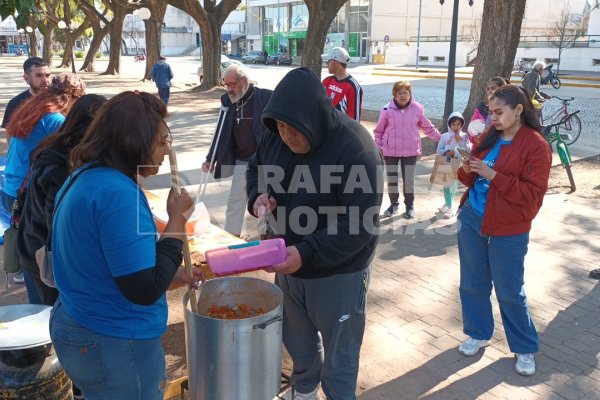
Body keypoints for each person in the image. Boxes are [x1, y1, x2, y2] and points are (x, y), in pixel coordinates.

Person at [49, 91, 202, 399]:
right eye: (160, 141)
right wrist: (176, 220)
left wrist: (169, 272)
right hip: (113, 340)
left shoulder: (85, 176)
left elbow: (110, 264)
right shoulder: (117, 194)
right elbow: (143, 290)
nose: (164, 150)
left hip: (79, 320)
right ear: (135, 142)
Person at [247, 68, 382, 400]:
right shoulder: (275, 133)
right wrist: (257, 197)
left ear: (315, 119)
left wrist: (306, 253)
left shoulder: (357, 149)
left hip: (339, 269)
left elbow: (358, 225)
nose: (287, 137)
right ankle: (304, 388)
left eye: (295, 131)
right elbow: (255, 167)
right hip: (288, 260)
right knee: (297, 338)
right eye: (280, 128)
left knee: (340, 351)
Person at [456, 85, 551, 377]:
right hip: (472, 218)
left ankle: (524, 347)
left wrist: (493, 174)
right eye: (491, 112)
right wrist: (468, 167)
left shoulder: (536, 145)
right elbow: (465, 179)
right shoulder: (489, 137)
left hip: (509, 227)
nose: (492, 118)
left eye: (499, 112)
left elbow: (532, 196)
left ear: (518, 110)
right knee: (472, 282)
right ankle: (479, 332)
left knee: (509, 289)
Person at [17, 94, 107, 306]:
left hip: (32, 244)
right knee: (51, 316)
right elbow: (59, 224)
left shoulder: (55, 146)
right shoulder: (63, 165)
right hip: (43, 256)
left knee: (42, 312)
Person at [4, 72, 85, 290]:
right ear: (71, 97)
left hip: (12, 186)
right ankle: (40, 283)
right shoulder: (55, 119)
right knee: (39, 245)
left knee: (28, 240)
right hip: (28, 190)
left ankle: (28, 274)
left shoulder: (32, 108)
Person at [202, 64, 272, 237]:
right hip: (242, 161)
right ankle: (230, 237)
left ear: (244, 81)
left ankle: (266, 237)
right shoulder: (228, 101)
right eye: (226, 84)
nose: (229, 89)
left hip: (264, 162)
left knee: (265, 203)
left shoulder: (264, 97)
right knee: (235, 202)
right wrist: (210, 158)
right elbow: (220, 129)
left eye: (232, 84)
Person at [374, 80, 441, 219]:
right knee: (392, 179)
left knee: (408, 181)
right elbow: (379, 131)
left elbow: (427, 127)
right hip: (390, 150)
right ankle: (394, 205)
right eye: (400, 93)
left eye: (406, 92)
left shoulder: (418, 108)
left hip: (410, 150)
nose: (403, 95)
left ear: (410, 94)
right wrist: (378, 146)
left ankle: (409, 206)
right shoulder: (387, 109)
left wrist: (441, 138)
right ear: (394, 95)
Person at [1, 57, 52, 143]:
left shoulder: (58, 99)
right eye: (39, 75)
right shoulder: (16, 104)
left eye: (47, 75)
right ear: (26, 78)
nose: (45, 80)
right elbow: (10, 136)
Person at [435, 112, 470, 219]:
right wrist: (446, 151)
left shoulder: (465, 136)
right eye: (453, 124)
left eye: (458, 124)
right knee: (445, 184)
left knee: (452, 185)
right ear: (449, 124)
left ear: (462, 124)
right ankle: (447, 203)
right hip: (445, 162)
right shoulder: (445, 136)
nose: (456, 127)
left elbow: (467, 152)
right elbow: (438, 150)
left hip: (458, 164)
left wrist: (459, 144)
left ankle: (450, 207)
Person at [322, 47, 363, 121]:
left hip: (341, 131)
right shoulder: (326, 81)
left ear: (336, 62)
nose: (326, 64)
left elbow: (354, 121)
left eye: (328, 61)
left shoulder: (352, 87)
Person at [467, 76, 509, 145]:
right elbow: (470, 128)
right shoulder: (481, 108)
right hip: (480, 146)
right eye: (488, 89)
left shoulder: (507, 108)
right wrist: (475, 138)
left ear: (502, 89)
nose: (490, 91)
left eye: (493, 88)